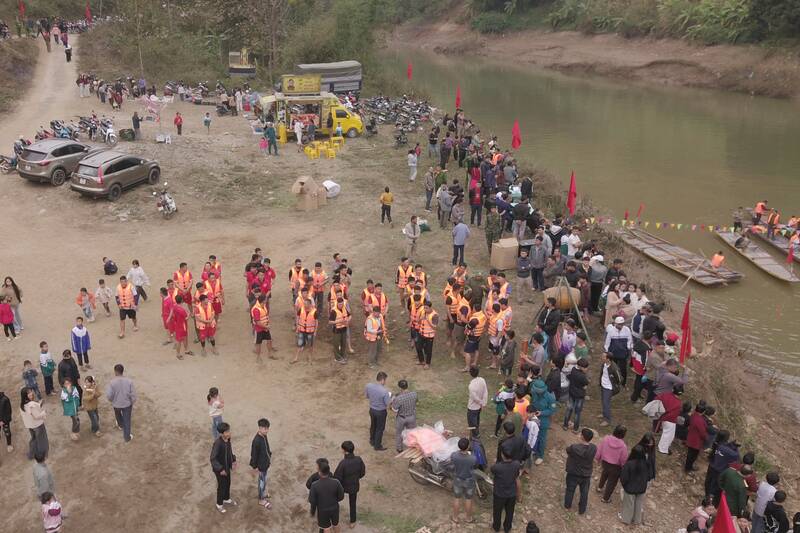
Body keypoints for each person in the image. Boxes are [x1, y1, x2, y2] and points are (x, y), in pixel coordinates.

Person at [564, 428, 596, 515]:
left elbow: (568, 450)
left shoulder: (574, 447)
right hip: (586, 475)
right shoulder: (593, 448)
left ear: (582, 436)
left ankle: (567, 505)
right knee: (584, 493)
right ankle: (582, 510)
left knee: (570, 490)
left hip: (574, 473)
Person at [334, 440, 366, 527]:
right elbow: (362, 473)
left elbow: (337, 477)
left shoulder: (343, 463)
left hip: (343, 487)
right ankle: (353, 521)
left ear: (344, 450)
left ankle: (333, 517)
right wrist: (356, 478)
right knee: (353, 503)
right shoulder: (359, 459)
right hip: (354, 486)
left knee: (334, 499)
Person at [595, 425, 628, 503]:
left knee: (604, 474)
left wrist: (597, 458)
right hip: (616, 467)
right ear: (623, 434)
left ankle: (600, 487)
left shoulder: (606, 438)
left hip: (605, 463)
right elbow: (623, 459)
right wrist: (623, 466)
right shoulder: (623, 446)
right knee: (612, 482)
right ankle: (605, 498)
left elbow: (600, 449)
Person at [491, 448, 522, 533]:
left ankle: (496, 527)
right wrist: (519, 496)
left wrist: (495, 462)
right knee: (510, 512)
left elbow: (492, 470)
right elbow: (517, 478)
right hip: (511, 494)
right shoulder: (516, 464)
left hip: (499, 494)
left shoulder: (497, 467)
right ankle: (507, 528)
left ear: (502, 455)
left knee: (497, 512)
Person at [308, 462, 345, 532]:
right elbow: (341, 496)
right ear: (328, 471)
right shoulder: (336, 482)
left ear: (319, 472)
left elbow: (312, 501)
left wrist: (314, 509)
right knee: (336, 524)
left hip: (322, 510)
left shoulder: (314, 485)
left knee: (326, 528)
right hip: (335, 508)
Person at [619, 445, 650, 525]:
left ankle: (626, 520)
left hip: (630, 488)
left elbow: (623, 477)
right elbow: (648, 476)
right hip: (642, 488)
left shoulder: (629, 464)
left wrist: (624, 485)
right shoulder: (646, 463)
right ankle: (637, 520)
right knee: (638, 505)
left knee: (629, 504)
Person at [210, 422, 237, 513]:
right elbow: (213, 458)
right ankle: (219, 504)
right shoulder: (217, 444)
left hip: (227, 468)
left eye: (229, 431)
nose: (229, 433)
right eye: (226, 432)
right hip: (220, 470)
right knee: (221, 486)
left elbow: (229, 452)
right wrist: (220, 469)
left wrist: (233, 460)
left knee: (228, 483)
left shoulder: (228, 440)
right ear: (221, 434)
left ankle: (226, 498)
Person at [106, 364, 135, 443]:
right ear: (123, 371)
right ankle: (127, 437)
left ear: (115, 372)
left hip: (116, 404)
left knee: (118, 414)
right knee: (127, 420)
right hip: (127, 404)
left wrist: (112, 400)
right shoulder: (129, 381)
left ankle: (120, 425)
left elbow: (109, 395)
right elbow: (133, 394)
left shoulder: (112, 382)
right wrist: (132, 401)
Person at [451, 437, 477, 524]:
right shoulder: (472, 458)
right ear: (468, 447)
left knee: (457, 498)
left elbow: (453, 461)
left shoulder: (454, 455)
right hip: (469, 480)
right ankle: (468, 518)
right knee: (468, 499)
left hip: (458, 479)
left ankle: (455, 517)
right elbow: (475, 465)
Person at [249, 418, 272, 509]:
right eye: (264, 428)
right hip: (261, 466)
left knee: (264, 480)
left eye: (267, 428)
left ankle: (263, 494)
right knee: (261, 482)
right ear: (259, 428)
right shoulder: (256, 441)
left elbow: (267, 448)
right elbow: (253, 455)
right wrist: (254, 467)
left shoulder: (264, 436)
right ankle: (261, 499)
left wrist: (269, 458)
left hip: (265, 464)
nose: (266, 430)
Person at [604, 316, 633, 387]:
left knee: (623, 369)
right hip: (613, 354)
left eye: (622, 324)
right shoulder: (611, 330)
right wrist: (607, 351)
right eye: (619, 324)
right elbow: (607, 342)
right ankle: (614, 381)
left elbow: (630, 340)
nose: (621, 325)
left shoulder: (627, 330)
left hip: (623, 354)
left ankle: (623, 383)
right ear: (615, 324)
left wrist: (628, 347)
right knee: (613, 368)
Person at [21, 386, 49, 459]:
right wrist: (43, 412)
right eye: (28, 393)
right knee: (42, 440)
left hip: (30, 426)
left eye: (31, 392)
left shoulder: (22, 405)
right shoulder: (31, 405)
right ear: (25, 395)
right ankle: (42, 455)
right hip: (38, 425)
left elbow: (30, 413)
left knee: (34, 439)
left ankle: (31, 454)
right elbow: (36, 416)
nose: (31, 394)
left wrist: (39, 404)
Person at [365, 372, 391, 451]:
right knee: (380, 428)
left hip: (372, 410)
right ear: (382, 380)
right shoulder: (384, 391)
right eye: (385, 380)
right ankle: (377, 445)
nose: (385, 382)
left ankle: (372, 440)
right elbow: (387, 404)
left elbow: (367, 396)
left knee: (373, 425)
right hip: (381, 412)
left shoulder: (368, 386)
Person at [563, 358, 589, 432]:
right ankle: (575, 429)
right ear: (581, 367)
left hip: (571, 393)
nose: (586, 369)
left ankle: (565, 425)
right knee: (577, 412)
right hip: (579, 396)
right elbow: (586, 384)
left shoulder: (573, 370)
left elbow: (569, 376)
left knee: (569, 409)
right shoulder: (582, 376)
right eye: (585, 367)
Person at [391, 379, 417, 453]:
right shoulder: (414, 394)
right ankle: (413, 446)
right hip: (411, 417)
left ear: (400, 388)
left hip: (401, 418)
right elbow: (416, 402)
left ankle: (399, 448)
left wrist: (393, 400)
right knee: (412, 432)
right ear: (407, 386)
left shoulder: (398, 398)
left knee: (399, 433)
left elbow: (394, 409)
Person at [599, 352, 622, 426]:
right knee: (603, 401)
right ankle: (604, 413)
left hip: (608, 388)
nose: (601, 357)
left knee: (606, 403)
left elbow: (619, 379)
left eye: (603, 357)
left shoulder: (614, 368)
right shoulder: (604, 364)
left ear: (608, 359)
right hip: (603, 385)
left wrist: (615, 384)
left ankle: (607, 420)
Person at [294, 297, 318, 364]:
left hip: (310, 331)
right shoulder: (301, 309)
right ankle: (296, 357)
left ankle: (309, 357)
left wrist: (315, 331)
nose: (304, 305)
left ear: (310, 304)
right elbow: (297, 318)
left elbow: (316, 322)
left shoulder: (314, 312)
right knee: (299, 344)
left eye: (306, 304)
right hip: (302, 330)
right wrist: (297, 327)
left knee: (310, 345)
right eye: (304, 304)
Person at [416, 301, 438, 368]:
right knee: (418, 347)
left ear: (430, 307)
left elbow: (435, 327)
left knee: (428, 350)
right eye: (424, 308)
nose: (425, 309)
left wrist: (428, 320)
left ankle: (427, 363)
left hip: (429, 336)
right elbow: (418, 322)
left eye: (427, 308)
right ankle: (421, 361)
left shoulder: (435, 315)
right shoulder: (423, 312)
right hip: (421, 333)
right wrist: (420, 319)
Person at [467, 366, 488, 437]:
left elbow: (475, 398)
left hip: (472, 407)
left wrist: (481, 403)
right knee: (476, 419)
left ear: (470, 373)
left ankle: (475, 435)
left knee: (471, 423)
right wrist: (483, 403)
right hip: (479, 406)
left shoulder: (471, 386)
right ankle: (475, 432)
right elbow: (485, 392)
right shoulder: (482, 380)